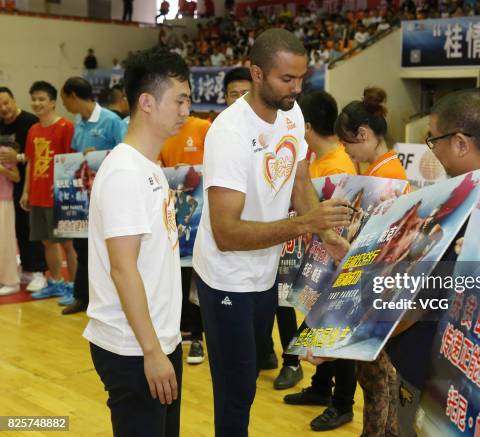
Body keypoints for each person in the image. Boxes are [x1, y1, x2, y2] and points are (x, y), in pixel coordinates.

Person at [191, 28, 351, 437]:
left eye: (302, 79)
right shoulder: (228, 133)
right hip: (227, 277)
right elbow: (226, 233)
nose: (296, 89)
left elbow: (299, 184)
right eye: (287, 79)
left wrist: (326, 234)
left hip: (264, 274)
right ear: (257, 73)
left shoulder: (292, 114)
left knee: (249, 380)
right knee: (236, 388)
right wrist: (304, 225)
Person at [384, 88, 480, 436]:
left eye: (433, 140)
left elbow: (424, 301)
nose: (432, 150)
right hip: (455, 370)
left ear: (461, 143)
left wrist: (364, 335)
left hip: (429, 369)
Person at [84, 47, 190, 437]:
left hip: (159, 342)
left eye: (188, 99)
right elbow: (122, 267)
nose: (185, 110)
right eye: (179, 100)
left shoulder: (151, 167)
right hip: (133, 348)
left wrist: (164, 345)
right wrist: (151, 351)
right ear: (146, 102)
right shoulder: (125, 173)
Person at [282, 90, 359, 431]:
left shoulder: (339, 167)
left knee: (334, 333)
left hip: (335, 261)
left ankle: (342, 402)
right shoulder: (318, 161)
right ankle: (319, 388)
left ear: (306, 125)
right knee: (317, 326)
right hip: (317, 257)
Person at [334, 86, 408, 437]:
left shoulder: (387, 177)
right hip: (377, 283)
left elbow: (381, 244)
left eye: (347, 144)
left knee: (378, 377)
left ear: (363, 134)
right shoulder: (382, 169)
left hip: (380, 285)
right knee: (374, 376)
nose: (345, 152)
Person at [60, 76, 126, 314]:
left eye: (65, 99)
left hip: (106, 195)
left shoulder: (111, 120)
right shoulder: (78, 123)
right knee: (81, 246)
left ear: (74, 96)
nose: (64, 105)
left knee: (104, 249)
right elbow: (76, 157)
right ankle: (82, 297)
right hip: (82, 196)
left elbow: (123, 152)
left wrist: (99, 153)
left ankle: (109, 299)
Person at [159, 114, 211, 365]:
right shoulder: (162, 132)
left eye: (182, 101)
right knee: (176, 277)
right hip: (174, 216)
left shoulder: (202, 128)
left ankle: (199, 337)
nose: (178, 108)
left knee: (197, 280)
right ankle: (181, 334)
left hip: (204, 217)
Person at [21, 81, 77, 302]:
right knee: (46, 241)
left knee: (68, 244)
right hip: (38, 194)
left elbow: (73, 163)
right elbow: (30, 163)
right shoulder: (33, 129)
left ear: (53, 102)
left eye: (42, 99)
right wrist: (26, 191)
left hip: (60, 197)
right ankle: (56, 281)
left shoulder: (66, 127)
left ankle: (74, 286)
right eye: (34, 99)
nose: (37, 103)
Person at [0, 87, 47, 292]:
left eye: (6, 103)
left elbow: (37, 153)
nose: (3, 109)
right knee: (14, 229)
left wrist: (17, 158)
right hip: (6, 185)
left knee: (30, 227)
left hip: (28, 180)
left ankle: (38, 271)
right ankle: (26, 269)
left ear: (14, 100)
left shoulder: (29, 122)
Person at [336, 87, 407, 181]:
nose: (345, 150)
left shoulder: (385, 176)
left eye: (345, 144)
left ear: (362, 134)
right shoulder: (381, 168)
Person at [0, 140, 20, 295]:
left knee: (5, 242)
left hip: (3, 202)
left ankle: (11, 281)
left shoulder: (4, 151)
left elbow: (16, 177)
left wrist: (2, 170)